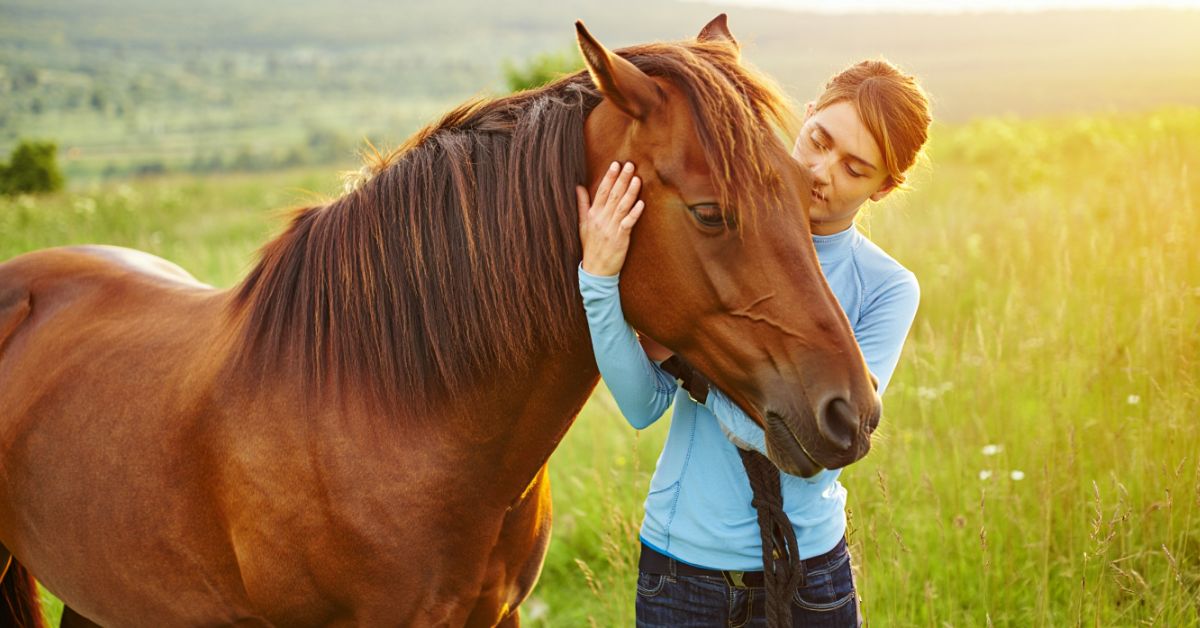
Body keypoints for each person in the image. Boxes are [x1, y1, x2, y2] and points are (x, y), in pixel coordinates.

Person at [575, 59, 932, 627]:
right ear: (807, 114)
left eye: (855, 168)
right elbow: (642, 407)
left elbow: (821, 450)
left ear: (883, 188)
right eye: (819, 140)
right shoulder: (721, 233)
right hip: (682, 567)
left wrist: (694, 365)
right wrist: (599, 277)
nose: (821, 171)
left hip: (810, 574)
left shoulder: (887, 288)